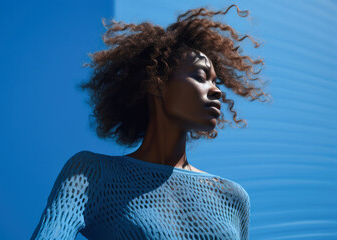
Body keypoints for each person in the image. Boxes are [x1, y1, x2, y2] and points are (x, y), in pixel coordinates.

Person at [31, 4, 271, 240]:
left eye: (216, 82)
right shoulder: (93, 174)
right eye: (200, 76)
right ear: (156, 83)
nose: (217, 91)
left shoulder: (232, 198)